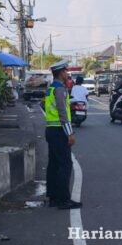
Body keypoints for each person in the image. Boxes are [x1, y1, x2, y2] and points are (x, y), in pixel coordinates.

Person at [45, 61, 81, 210]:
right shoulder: (60, 89)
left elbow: (46, 106)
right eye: (66, 71)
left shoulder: (51, 88)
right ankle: (63, 199)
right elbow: (62, 113)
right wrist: (69, 133)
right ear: (60, 73)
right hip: (59, 131)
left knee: (53, 164)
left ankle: (53, 197)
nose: (67, 73)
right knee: (65, 164)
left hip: (50, 129)